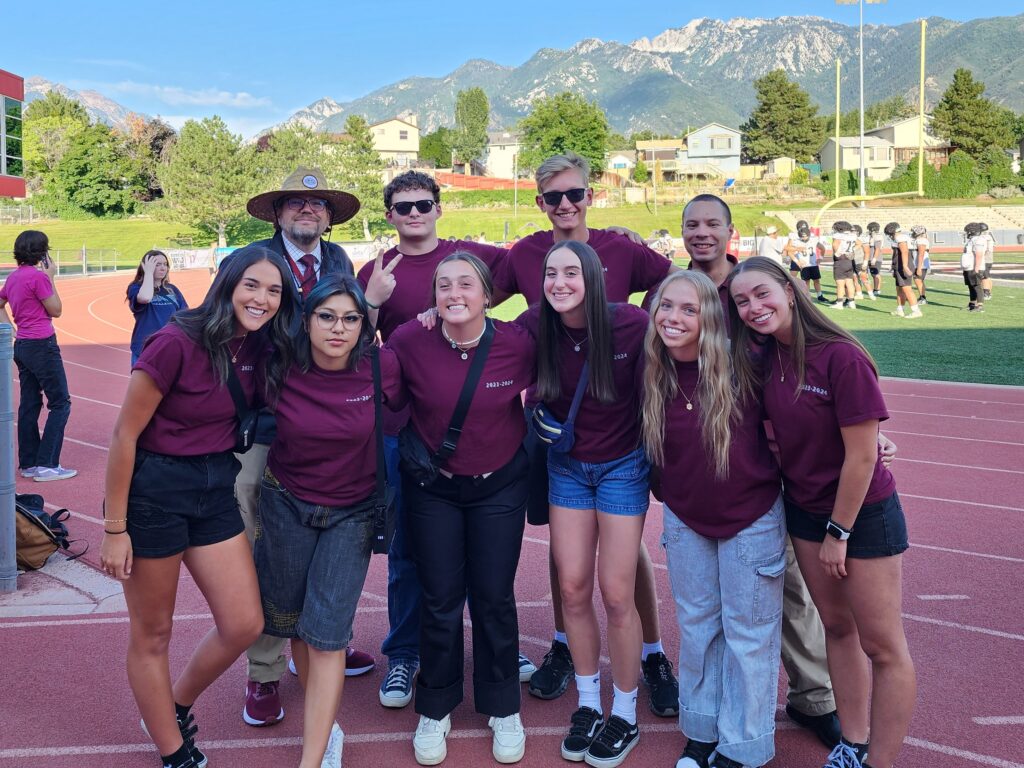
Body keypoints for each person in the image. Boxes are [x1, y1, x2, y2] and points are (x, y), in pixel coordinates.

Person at [496, 152, 680, 716]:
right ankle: (564, 650)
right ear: (540, 202)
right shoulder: (525, 254)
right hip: (560, 433)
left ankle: (650, 653)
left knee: (622, 573)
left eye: (575, 194)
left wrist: (660, 322)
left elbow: (678, 284)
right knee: (567, 565)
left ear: (590, 195)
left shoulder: (622, 253)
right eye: (554, 197)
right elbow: (478, 297)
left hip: (618, 426)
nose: (566, 205)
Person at [99, 245, 298, 768]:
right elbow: (124, 435)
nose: (262, 298)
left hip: (215, 486)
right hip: (154, 492)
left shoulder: (260, 346)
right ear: (228, 283)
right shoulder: (175, 341)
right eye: (252, 285)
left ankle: (172, 705)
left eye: (274, 290)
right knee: (153, 633)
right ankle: (173, 752)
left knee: (244, 622)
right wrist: (115, 528)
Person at [729, 256, 917, 768]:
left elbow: (861, 456)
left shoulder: (841, 356)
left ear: (790, 291)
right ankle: (852, 745)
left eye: (762, 294)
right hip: (805, 510)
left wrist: (839, 531)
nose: (753, 307)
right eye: (741, 301)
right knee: (836, 627)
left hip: (861, 515)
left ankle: (879, 762)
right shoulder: (767, 357)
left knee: (883, 646)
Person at [679, 195, 842, 750]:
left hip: (772, 472)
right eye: (691, 225)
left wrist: (858, 426)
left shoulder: (753, 292)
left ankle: (813, 696)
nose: (701, 233)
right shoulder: (677, 292)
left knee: (789, 592)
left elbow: (807, 359)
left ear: (730, 231)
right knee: (712, 610)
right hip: (710, 473)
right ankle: (721, 714)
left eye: (711, 225)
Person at [356, 170, 516, 710]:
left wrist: (616, 237)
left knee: (478, 553)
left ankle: (493, 648)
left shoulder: (472, 257)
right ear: (390, 215)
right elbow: (353, 341)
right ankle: (404, 653)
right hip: (404, 433)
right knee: (408, 553)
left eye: (424, 203)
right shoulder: (376, 271)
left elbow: (536, 266)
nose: (415, 213)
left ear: (439, 207)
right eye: (403, 207)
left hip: (470, 426)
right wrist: (372, 300)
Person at [237, 167, 387, 727]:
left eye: (318, 204)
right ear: (277, 213)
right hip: (266, 419)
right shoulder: (255, 260)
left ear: (329, 217)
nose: (308, 210)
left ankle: (324, 640)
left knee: (333, 538)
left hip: (326, 420)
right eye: (296, 203)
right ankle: (265, 672)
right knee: (268, 551)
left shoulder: (340, 262)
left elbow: (356, 330)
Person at [386, 253, 534, 766]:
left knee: (494, 596)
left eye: (466, 284)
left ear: (487, 294)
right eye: (444, 285)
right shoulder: (409, 339)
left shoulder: (518, 342)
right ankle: (437, 704)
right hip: (435, 489)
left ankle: (501, 704)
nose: (455, 293)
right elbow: (376, 389)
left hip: (500, 487)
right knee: (440, 597)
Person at [254, 275, 401, 768]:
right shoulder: (279, 366)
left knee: (327, 635)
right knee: (290, 619)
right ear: (306, 320)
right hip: (285, 502)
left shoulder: (383, 368)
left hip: (353, 513)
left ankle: (312, 758)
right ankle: (324, 719)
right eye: (327, 317)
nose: (338, 329)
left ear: (364, 325)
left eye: (351, 319)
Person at [643, 270, 785, 768]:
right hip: (686, 516)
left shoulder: (748, 361)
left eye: (688, 308)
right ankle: (701, 730)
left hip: (752, 514)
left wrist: (870, 438)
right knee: (699, 625)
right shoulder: (651, 369)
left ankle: (744, 747)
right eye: (666, 306)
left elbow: (804, 404)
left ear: (709, 315)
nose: (674, 318)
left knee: (748, 632)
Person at [519, 241, 650, 767]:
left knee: (617, 594)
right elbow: (478, 342)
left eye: (571, 273)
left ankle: (625, 710)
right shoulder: (533, 325)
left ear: (592, 277)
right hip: (566, 467)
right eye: (551, 273)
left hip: (622, 466)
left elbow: (693, 358)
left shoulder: (630, 325)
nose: (559, 283)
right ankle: (589, 702)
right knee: (572, 586)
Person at [0, 230, 76, 482]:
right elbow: (56, 310)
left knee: (30, 403)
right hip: (42, 344)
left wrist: (8, 327)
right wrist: (52, 277)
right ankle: (47, 464)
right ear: (42, 253)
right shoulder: (39, 277)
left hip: (22, 345)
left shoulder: (13, 278)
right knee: (60, 403)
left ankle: (29, 463)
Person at [127, 250, 188, 366]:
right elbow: (145, 298)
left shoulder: (172, 290)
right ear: (146, 267)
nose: (163, 268)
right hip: (145, 348)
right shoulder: (136, 288)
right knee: (144, 384)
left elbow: (184, 316)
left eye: (165, 264)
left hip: (169, 347)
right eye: (157, 264)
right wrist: (148, 274)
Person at [883, 223, 922, 319]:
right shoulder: (902, 237)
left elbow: (904, 251)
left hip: (904, 264)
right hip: (899, 264)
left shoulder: (900, 238)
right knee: (899, 288)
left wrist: (904, 266)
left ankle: (916, 311)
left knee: (906, 288)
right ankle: (900, 309)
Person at [784, 221, 827, 303]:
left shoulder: (813, 239)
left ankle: (819, 295)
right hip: (804, 264)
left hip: (813, 263)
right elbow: (789, 251)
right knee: (804, 281)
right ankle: (806, 296)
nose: (804, 238)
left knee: (816, 280)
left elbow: (822, 248)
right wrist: (797, 261)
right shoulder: (796, 240)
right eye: (802, 236)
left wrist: (820, 258)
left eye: (805, 236)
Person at [829, 221, 858, 310]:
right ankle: (851, 302)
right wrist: (852, 251)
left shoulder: (838, 235)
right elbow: (859, 243)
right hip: (849, 260)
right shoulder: (852, 235)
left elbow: (835, 245)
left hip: (841, 260)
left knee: (840, 283)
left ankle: (839, 303)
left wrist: (838, 253)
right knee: (849, 282)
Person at [961, 222, 987, 313]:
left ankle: (979, 305)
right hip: (969, 267)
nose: (967, 233)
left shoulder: (978, 240)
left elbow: (979, 254)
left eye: (968, 231)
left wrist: (976, 268)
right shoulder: (973, 239)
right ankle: (972, 304)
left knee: (977, 286)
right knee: (971, 286)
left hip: (974, 267)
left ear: (972, 231)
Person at [850, 225, 875, 301]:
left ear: (857, 231)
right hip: (852, 261)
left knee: (864, 278)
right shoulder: (851, 239)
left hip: (860, 261)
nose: (851, 232)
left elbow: (867, 252)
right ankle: (859, 294)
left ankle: (871, 294)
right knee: (855, 278)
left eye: (853, 231)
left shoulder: (862, 239)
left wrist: (865, 262)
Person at [909, 226, 930, 305]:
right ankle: (922, 297)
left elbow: (921, 254)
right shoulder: (919, 240)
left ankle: (922, 298)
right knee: (919, 280)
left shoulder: (921, 240)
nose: (912, 233)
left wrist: (919, 268)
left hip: (921, 263)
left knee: (918, 280)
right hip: (919, 263)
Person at [866, 222, 884, 298]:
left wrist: (874, 259)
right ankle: (875, 289)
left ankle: (877, 289)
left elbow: (877, 249)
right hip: (871, 257)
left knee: (876, 274)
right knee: (874, 274)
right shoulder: (872, 236)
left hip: (875, 258)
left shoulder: (877, 236)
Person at [979, 222, 995, 300]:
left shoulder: (984, 237)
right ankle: (988, 292)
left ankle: (986, 292)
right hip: (989, 258)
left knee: (984, 276)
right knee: (987, 276)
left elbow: (983, 249)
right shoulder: (988, 236)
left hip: (985, 258)